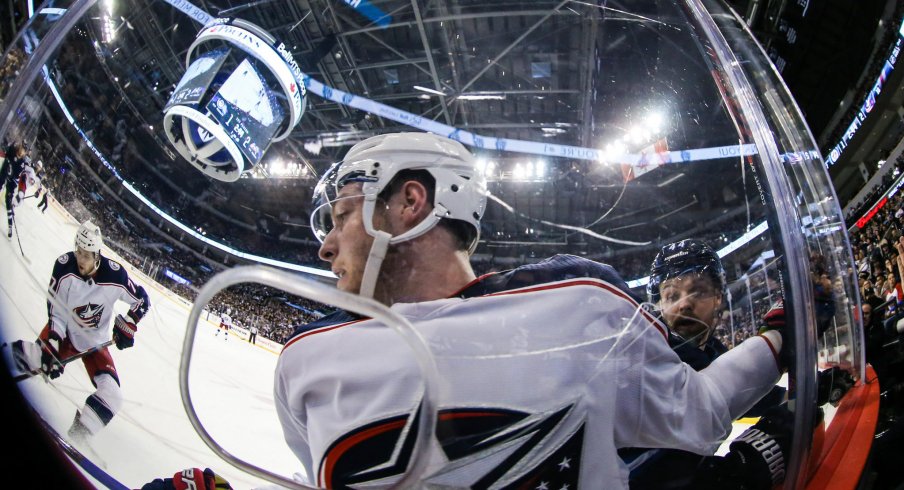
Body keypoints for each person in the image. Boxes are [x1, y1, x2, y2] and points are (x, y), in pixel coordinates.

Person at [273, 133, 788, 488]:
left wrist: (783, 337)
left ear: (411, 202)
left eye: (342, 217)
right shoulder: (304, 357)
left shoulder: (578, 303)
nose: (326, 246)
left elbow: (698, 409)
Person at [11, 220, 151, 441]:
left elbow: (142, 301)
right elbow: (56, 312)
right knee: (36, 357)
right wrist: (53, 346)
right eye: (79, 252)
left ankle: (78, 435)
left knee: (113, 396)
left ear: (97, 255)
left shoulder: (116, 276)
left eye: (87, 255)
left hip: (94, 343)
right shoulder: (64, 266)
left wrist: (129, 324)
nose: (81, 259)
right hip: (64, 333)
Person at [2, 141, 27, 237]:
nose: (22, 151)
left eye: (24, 151)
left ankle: (10, 226)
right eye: (22, 149)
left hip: (12, 182)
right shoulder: (13, 151)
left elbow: (17, 176)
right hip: (5, 175)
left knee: (8, 201)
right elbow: (7, 154)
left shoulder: (22, 163)